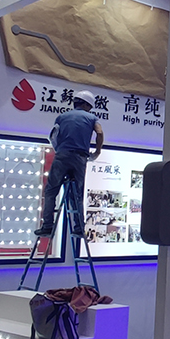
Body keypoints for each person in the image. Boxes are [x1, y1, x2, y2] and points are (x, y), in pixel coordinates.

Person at [35, 89, 104, 237]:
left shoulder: (61, 117)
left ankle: (47, 226)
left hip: (62, 156)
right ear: (87, 105)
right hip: (80, 158)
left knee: (51, 191)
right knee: (77, 194)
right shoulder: (92, 118)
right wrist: (97, 152)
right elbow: (99, 132)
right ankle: (79, 228)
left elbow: (53, 136)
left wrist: (59, 150)